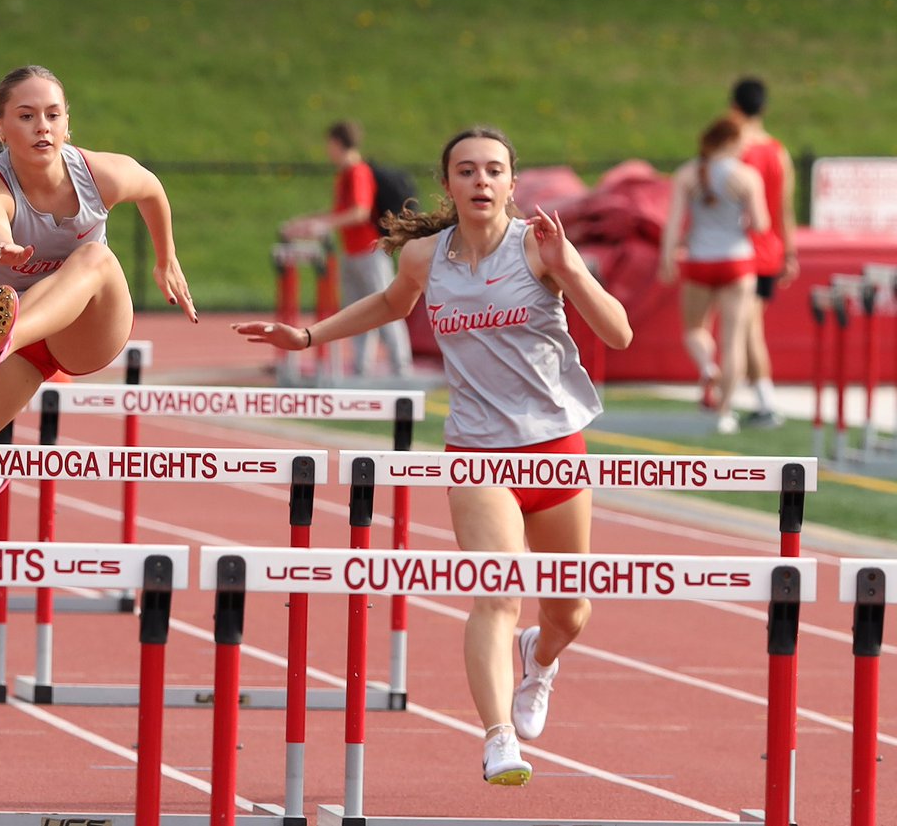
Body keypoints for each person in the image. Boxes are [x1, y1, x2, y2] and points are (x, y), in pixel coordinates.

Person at [235, 126, 633, 786]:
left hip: (557, 445)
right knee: (497, 593)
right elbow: (390, 302)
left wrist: (568, 270)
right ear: (448, 183)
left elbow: (617, 332)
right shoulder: (425, 256)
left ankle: (542, 657)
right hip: (477, 451)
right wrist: (307, 335)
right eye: (467, 170)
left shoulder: (539, 248)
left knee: (569, 611)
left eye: (494, 170)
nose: (481, 181)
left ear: (511, 183)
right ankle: (499, 736)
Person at [0, 65, 197, 528]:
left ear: (66, 122)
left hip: (88, 327)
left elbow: (152, 189)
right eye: (27, 115)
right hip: (18, 350)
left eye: (53, 115)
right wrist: (0, 239)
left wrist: (167, 258)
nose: (43, 126)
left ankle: (5, 337)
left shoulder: (98, 174)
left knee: (94, 259)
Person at [659, 116, 770, 435]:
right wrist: (744, 217)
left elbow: (674, 221)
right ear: (731, 141)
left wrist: (667, 257)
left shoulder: (688, 174)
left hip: (699, 259)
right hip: (736, 260)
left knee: (694, 329)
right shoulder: (747, 176)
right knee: (732, 340)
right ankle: (725, 412)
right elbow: (761, 225)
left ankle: (708, 367)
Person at [282, 120, 413, 378]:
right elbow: (339, 213)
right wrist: (309, 223)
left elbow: (359, 212)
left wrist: (323, 226)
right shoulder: (343, 175)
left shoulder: (358, 172)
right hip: (352, 252)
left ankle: (401, 366)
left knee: (387, 306)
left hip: (370, 252)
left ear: (337, 143)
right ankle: (361, 367)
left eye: (329, 144)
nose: (327, 150)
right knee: (356, 311)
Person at [729, 77, 798, 428]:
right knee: (745, 327)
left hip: (740, 251)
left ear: (734, 107)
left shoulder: (736, 151)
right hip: (769, 250)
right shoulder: (778, 152)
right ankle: (754, 397)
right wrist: (790, 253)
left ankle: (763, 401)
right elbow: (785, 210)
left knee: (747, 328)